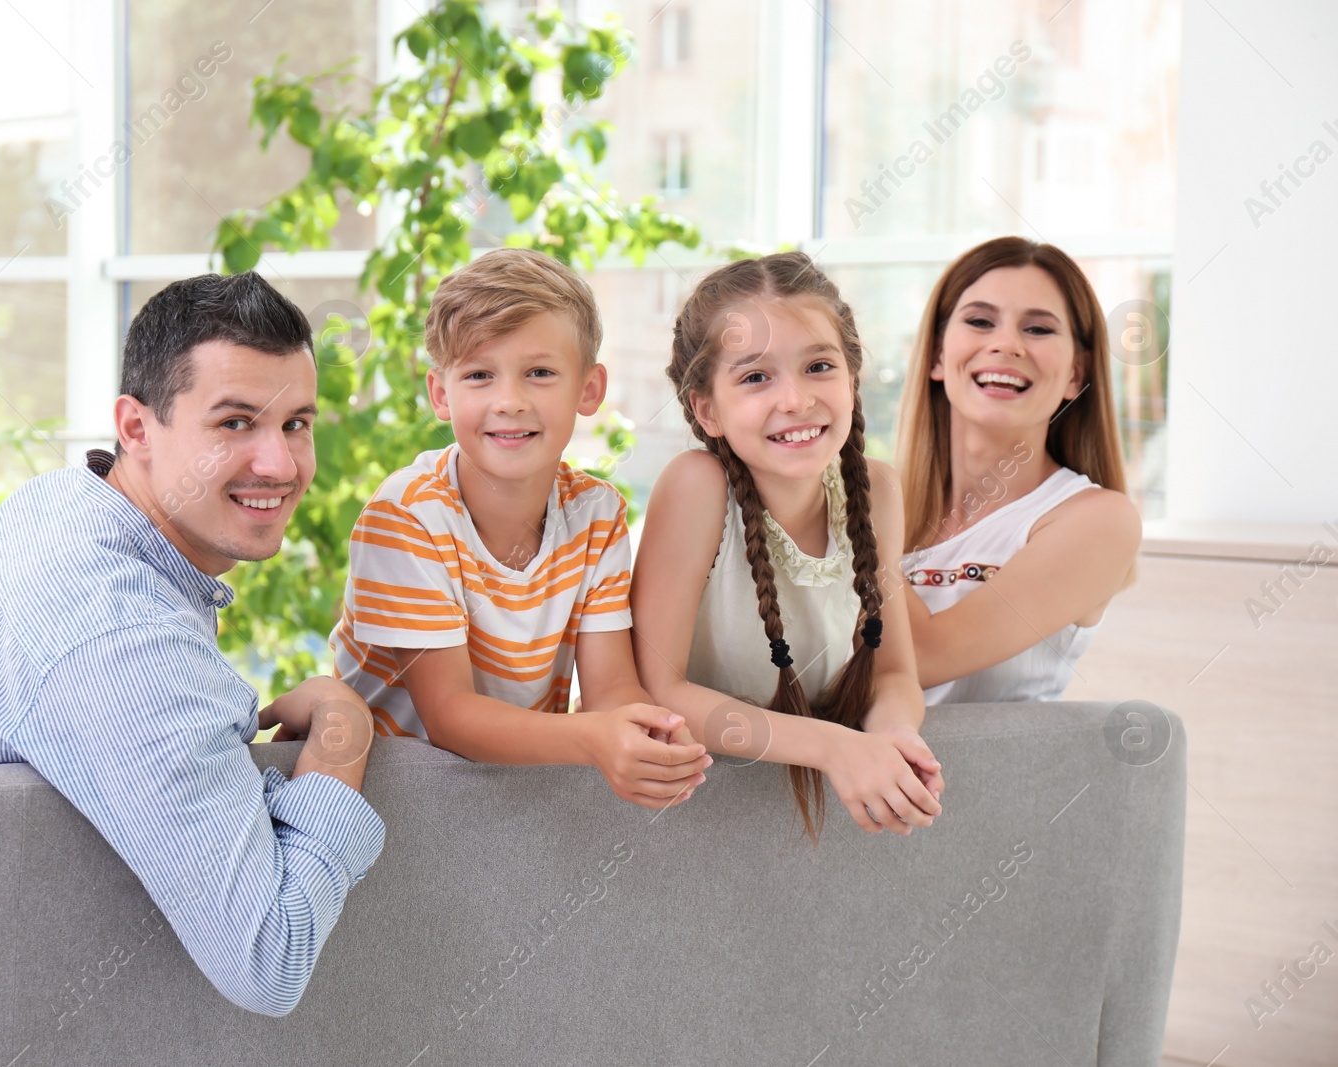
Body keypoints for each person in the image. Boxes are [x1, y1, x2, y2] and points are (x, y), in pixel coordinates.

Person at [0, 273, 385, 1017]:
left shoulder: (66, 500)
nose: (280, 465)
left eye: (296, 423)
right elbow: (267, 959)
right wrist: (344, 739)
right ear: (136, 428)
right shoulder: (117, 636)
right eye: (234, 422)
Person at [329, 248, 711, 810]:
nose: (509, 402)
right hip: (396, 795)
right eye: (479, 375)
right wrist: (592, 739)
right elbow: (451, 717)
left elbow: (608, 688)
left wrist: (647, 730)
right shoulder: (406, 518)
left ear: (589, 389)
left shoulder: (597, 513)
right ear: (441, 394)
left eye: (539, 373)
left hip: (515, 787)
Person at [630, 252, 944, 841]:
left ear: (852, 379)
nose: (795, 400)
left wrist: (895, 733)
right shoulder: (697, 486)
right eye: (755, 377)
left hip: (798, 823)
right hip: (685, 818)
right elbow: (660, 690)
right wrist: (834, 748)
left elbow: (896, 670)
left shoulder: (876, 491)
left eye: (819, 366)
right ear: (707, 409)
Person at [895, 237, 1140, 704]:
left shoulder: (1098, 520)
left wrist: (847, 524)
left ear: (1075, 374)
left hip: (998, 777)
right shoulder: (880, 503)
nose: (1006, 344)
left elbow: (924, 658)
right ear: (937, 356)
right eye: (980, 321)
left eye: (1038, 329)